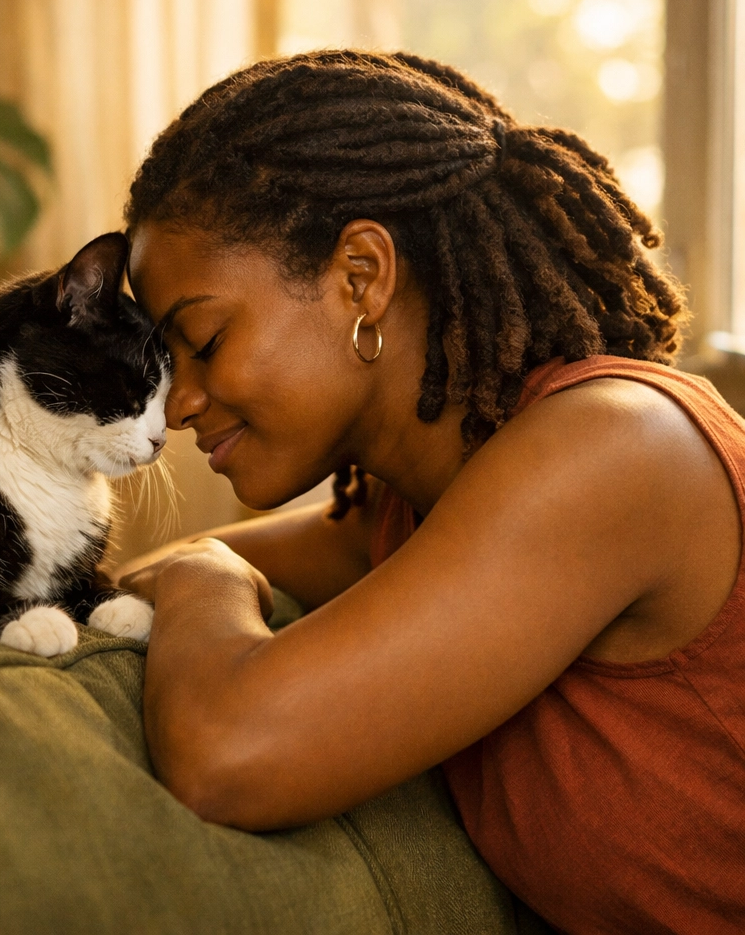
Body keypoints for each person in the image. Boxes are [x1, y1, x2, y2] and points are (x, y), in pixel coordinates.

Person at [112, 51, 744, 934]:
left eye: (205, 342)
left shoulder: (614, 448)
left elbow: (229, 753)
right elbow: (133, 578)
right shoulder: (406, 512)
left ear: (361, 275)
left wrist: (203, 579)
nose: (176, 404)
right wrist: (196, 565)